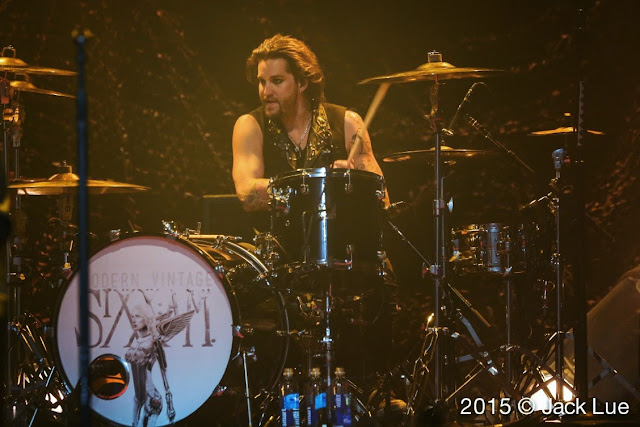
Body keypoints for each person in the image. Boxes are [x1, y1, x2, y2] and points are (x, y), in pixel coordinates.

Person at [232, 34, 389, 211]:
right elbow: (246, 194)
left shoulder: (348, 123)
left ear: (302, 83)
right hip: (273, 230)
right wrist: (320, 183)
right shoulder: (250, 125)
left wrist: (351, 179)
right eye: (262, 82)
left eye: (277, 81)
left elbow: (381, 198)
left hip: (339, 229)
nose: (266, 91)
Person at [126, 303, 162, 427]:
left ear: (146, 318)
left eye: (137, 316)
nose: (133, 320)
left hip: (151, 398)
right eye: (132, 316)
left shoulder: (153, 341)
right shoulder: (136, 342)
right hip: (138, 398)